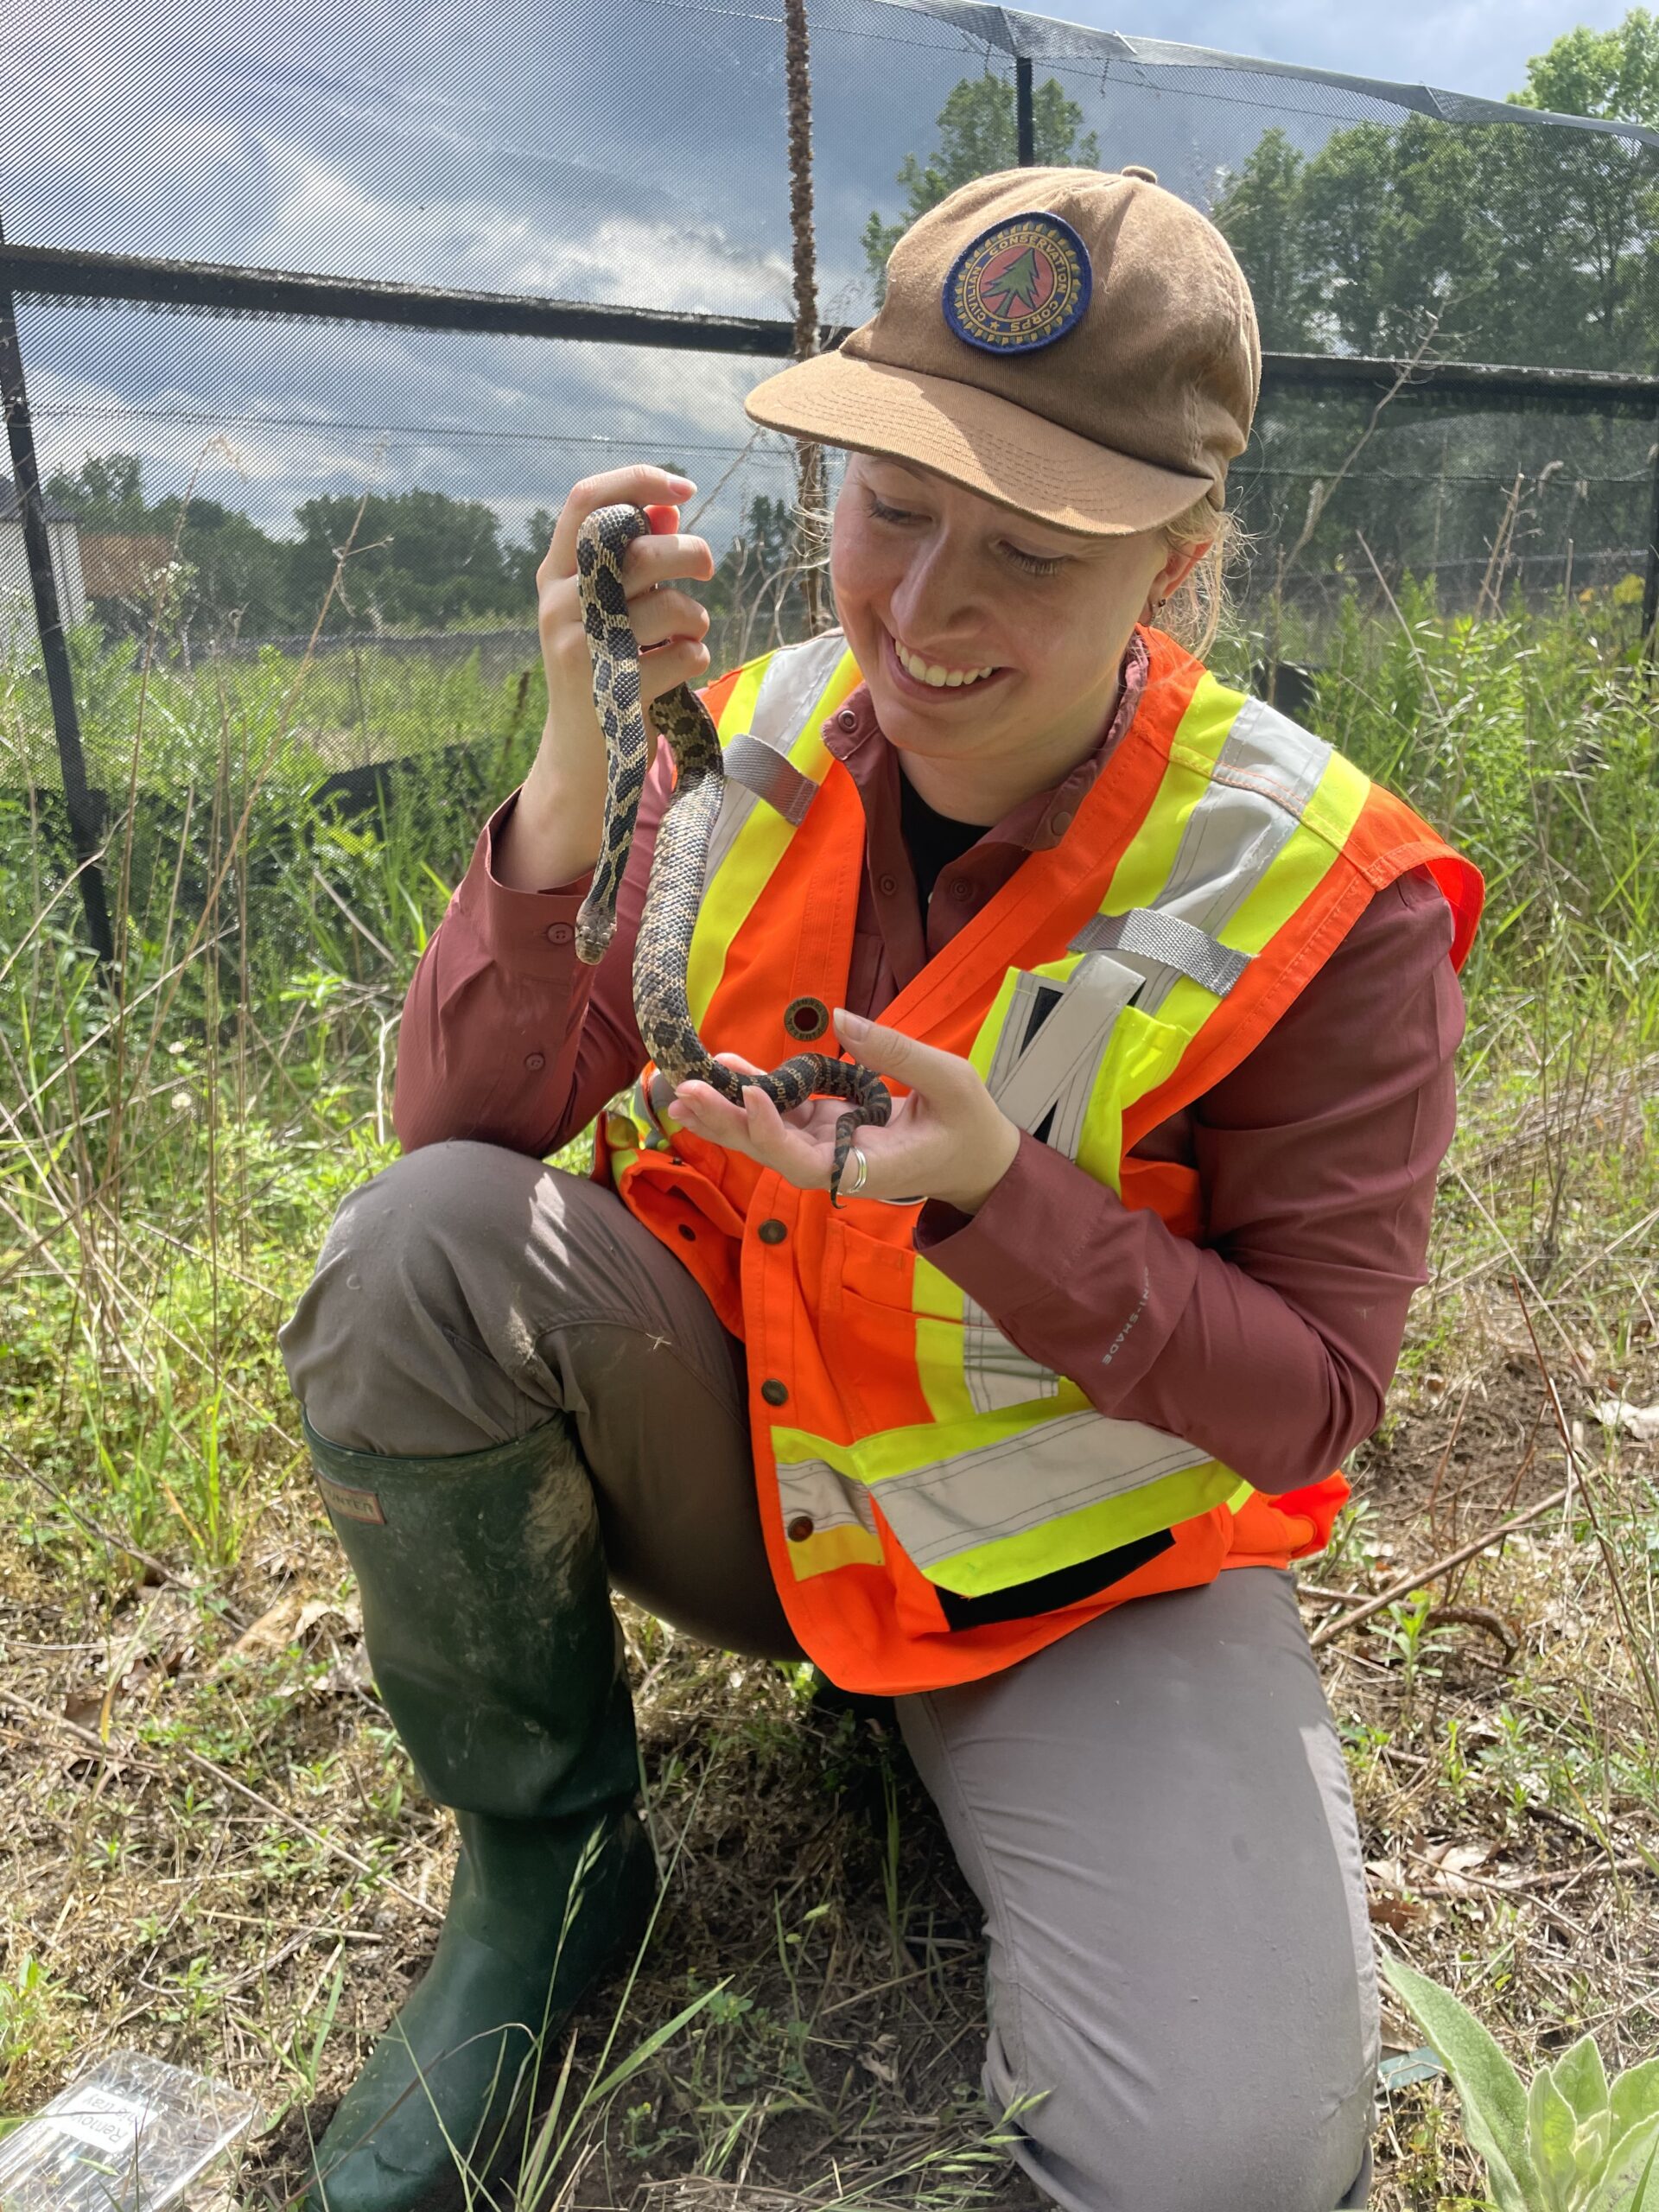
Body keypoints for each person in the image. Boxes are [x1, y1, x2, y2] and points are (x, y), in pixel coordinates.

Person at [278, 163, 1482, 2212]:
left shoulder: (1313, 900)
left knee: (1225, 2161)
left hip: (1076, 1588)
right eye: (891, 507)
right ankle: (550, 1866)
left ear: (1179, 563)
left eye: (1029, 548)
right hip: (753, 1475)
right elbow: (465, 1124)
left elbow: (1313, 1395)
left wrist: (1001, 1192)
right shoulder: (733, 742)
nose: (924, 612)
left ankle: (1003, 1771)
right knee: (418, 1255)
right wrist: (575, 775)